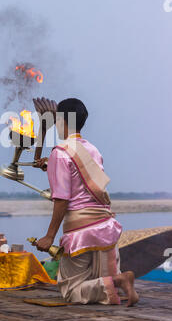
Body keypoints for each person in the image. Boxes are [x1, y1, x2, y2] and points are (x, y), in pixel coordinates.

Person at [33, 97, 139, 307]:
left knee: (72, 292)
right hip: (105, 227)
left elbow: (62, 200)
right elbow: (83, 176)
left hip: (80, 232)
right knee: (102, 287)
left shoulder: (60, 153)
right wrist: (50, 162)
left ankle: (120, 279)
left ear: (61, 120)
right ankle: (118, 281)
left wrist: (49, 236)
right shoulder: (92, 149)